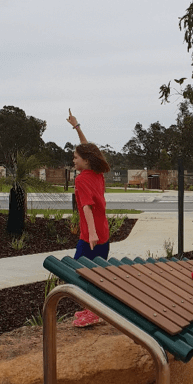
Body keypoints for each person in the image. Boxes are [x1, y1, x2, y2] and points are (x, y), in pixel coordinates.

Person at [66, 109, 110, 327]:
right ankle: (91, 309)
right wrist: (77, 127)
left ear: (84, 161)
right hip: (103, 234)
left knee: (79, 273)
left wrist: (90, 233)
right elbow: (90, 151)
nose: (73, 160)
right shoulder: (97, 172)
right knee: (94, 273)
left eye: (75, 158)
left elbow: (86, 207)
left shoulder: (83, 179)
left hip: (91, 236)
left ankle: (93, 312)